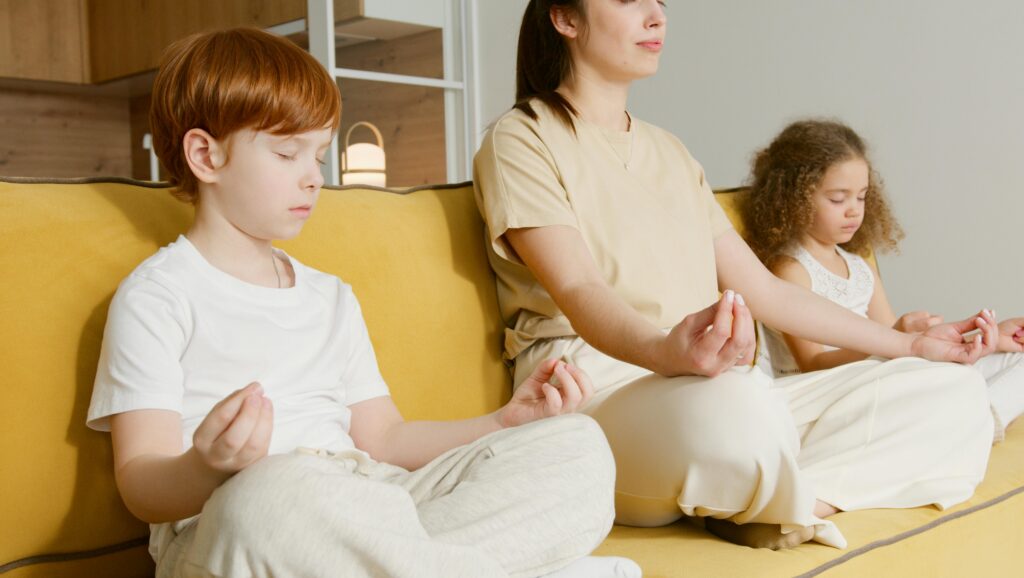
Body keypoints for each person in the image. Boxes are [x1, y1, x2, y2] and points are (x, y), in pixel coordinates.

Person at [86, 27, 641, 578]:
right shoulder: (158, 295)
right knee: (274, 492)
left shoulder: (330, 296)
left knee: (576, 446)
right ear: (206, 156)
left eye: (320, 156)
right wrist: (206, 466)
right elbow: (140, 483)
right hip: (232, 522)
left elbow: (384, 440)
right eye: (287, 153)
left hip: (371, 504)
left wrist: (505, 420)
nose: (313, 179)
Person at [473, 0, 1000, 551]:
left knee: (952, 388)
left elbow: (766, 292)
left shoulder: (670, 153)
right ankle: (761, 483)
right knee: (737, 405)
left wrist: (908, 343)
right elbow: (580, 290)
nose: (657, 16)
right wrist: (664, 353)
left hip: (714, 385)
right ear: (565, 18)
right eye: (631, 1)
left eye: (660, 2)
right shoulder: (521, 139)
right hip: (598, 388)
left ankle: (785, 500)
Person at [741, 118, 1024, 442]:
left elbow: (902, 342)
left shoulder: (860, 268)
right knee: (947, 381)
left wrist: (990, 341)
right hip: (832, 392)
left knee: (1015, 359)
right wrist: (895, 338)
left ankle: (978, 418)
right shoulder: (791, 270)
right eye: (838, 199)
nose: (853, 211)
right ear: (793, 199)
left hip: (880, 374)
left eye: (861, 197)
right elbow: (814, 363)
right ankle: (971, 423)